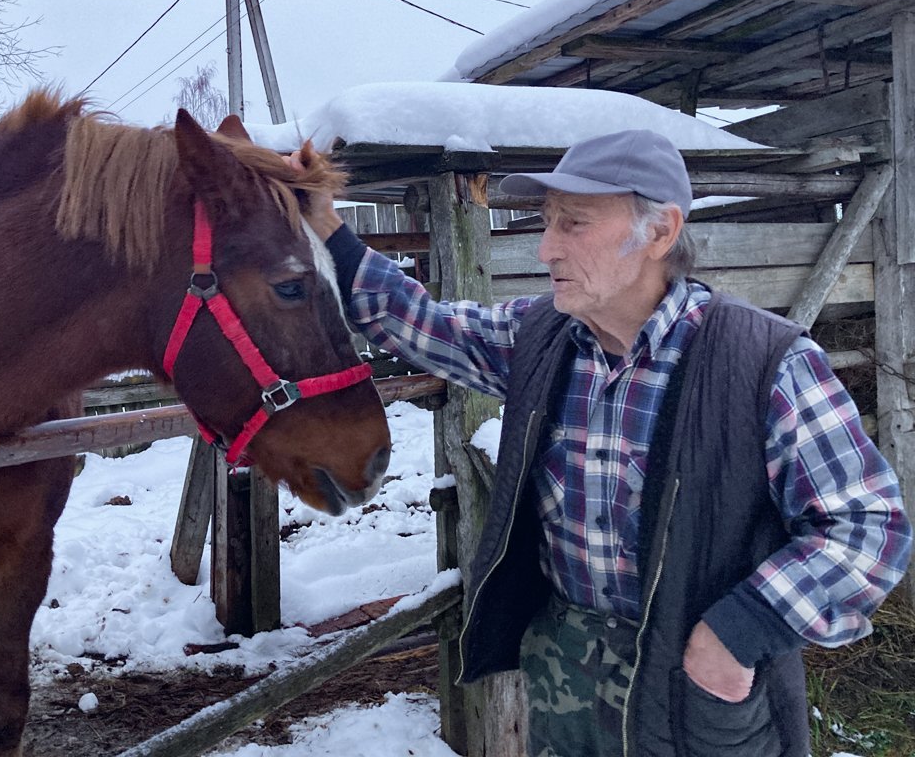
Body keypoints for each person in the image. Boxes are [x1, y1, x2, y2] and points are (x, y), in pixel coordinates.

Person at [291, 129, 912, 757]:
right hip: (564, 675)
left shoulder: (765, 362)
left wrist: (741, 631)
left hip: (695, 680)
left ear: (660, 233)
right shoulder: (544, 337)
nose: (546, 248)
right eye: (547, 222)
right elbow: (418, 321)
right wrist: (329, 229)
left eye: (574, 225)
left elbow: (868, 531)